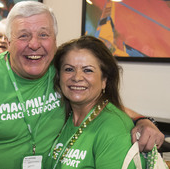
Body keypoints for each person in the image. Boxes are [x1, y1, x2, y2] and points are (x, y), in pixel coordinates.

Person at [0, 1, 164, 169]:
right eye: (24, 36)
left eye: (43, 34)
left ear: (55, 40)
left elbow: (93, 99)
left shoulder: (59, 68)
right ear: (8, 43)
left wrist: (142, 120)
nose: (34, 44)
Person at [46, 35, 147, 168]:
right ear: (59, 76)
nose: (77, 77)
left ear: (104, 80)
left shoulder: (114, 128)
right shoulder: (60, 116)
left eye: (88, 70)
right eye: (69, 69)